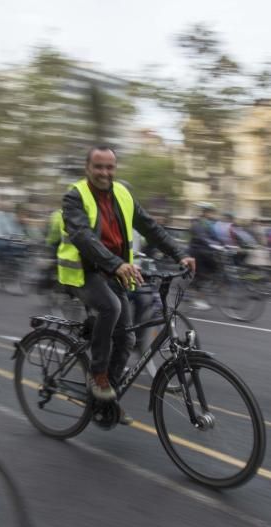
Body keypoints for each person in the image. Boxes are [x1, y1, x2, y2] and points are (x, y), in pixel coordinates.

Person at [58, 145, 195, 407]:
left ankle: (105, 400)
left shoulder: (122, 193)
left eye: (109, 167)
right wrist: (116, 264)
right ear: (88, 168)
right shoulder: (75, 196)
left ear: (115, 168)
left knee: (127, 338)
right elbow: (82, 236)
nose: (104, 172)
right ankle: (98, 375)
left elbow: (150, 227)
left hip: (114, 271)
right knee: (111, 306)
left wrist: (179, 254)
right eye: (98, 166)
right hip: (82, 272)